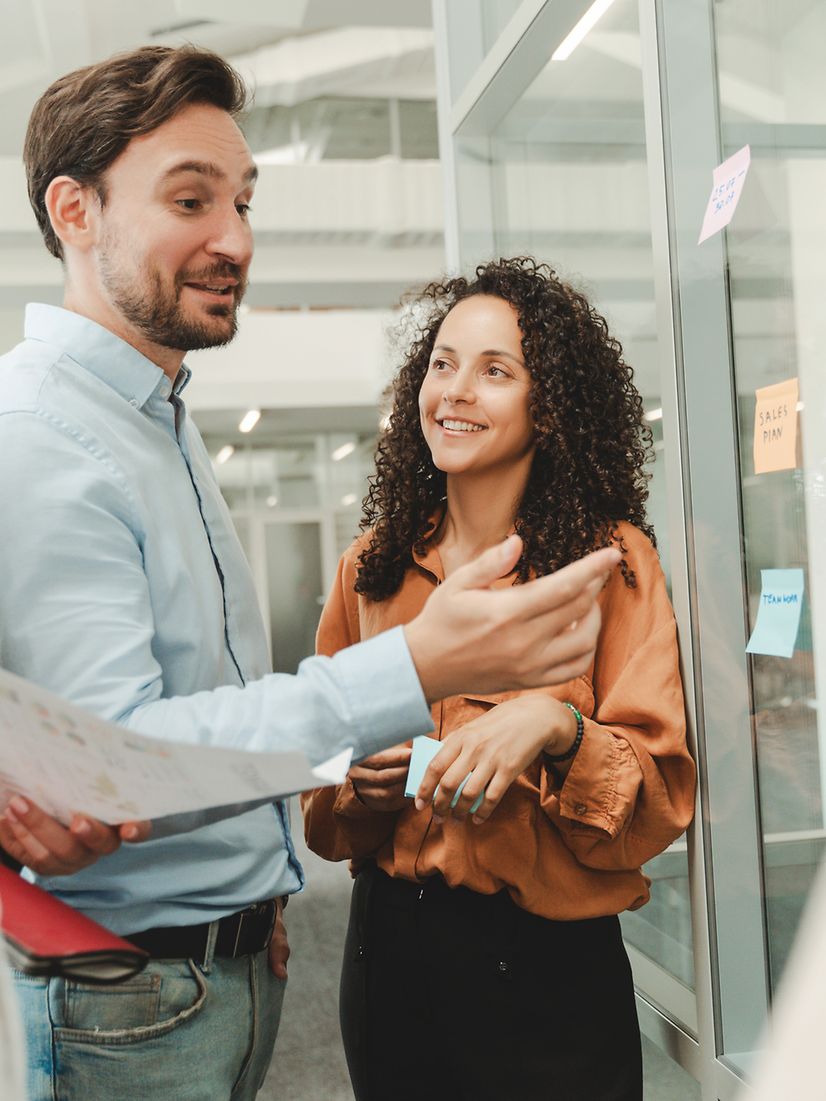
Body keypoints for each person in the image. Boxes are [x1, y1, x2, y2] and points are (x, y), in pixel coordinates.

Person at [0, 48, 619, 1101]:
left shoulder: (153, 421)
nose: (234, 238)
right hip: (128, 990)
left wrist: (254, 893)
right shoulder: (47, 438)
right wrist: (416, 665)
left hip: (214, 965)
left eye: (242, 201)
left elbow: (195, 709)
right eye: (190, 199)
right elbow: (119, 764)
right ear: (76, 211)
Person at [302, 257, 697, 1101]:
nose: (455, 391)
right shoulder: (368, 571)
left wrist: (559, 730)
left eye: (495, 371)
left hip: (550, 975)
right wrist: (361, 790)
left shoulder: (611, 565)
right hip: (391, 957)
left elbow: (661, 797)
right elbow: (325, 821)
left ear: (548, 404)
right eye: (441, 363)